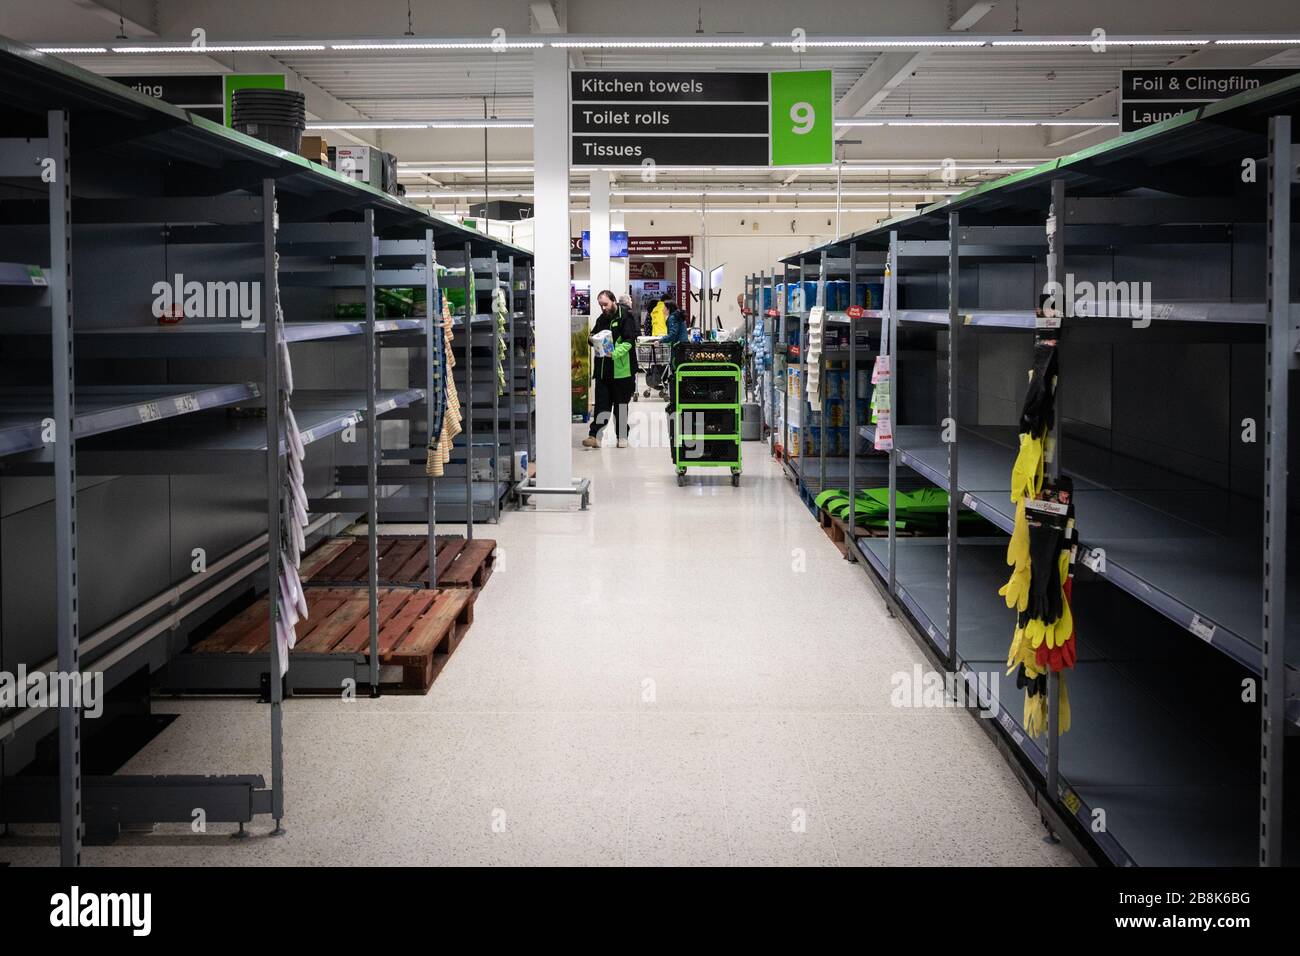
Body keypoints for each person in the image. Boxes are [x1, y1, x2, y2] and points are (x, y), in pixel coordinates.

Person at [582, 290, 637, 449]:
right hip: (603, 371)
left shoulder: (625, 316)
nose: (603, 308)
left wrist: (614, 353)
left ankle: (622, 437)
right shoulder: (602, 319)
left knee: (620, 406)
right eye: (600, 305)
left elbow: (629, 341)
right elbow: (592, 334)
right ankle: (594, 436)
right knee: (601, 405)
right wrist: (592, 339)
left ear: (613, 301)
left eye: (605, 304)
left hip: (622, 371)